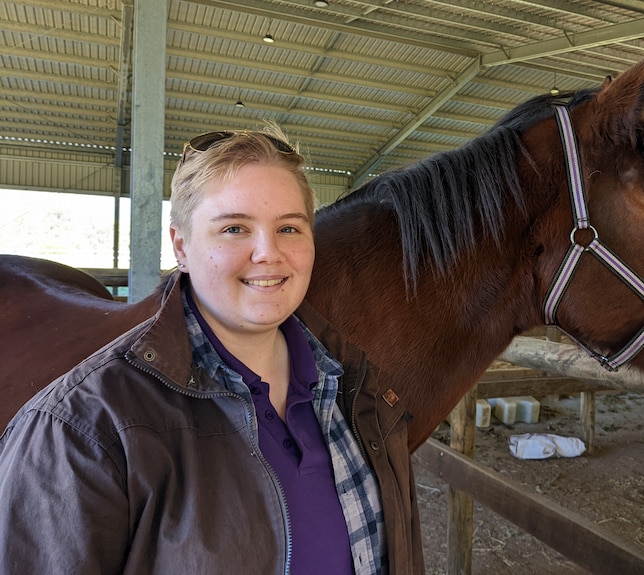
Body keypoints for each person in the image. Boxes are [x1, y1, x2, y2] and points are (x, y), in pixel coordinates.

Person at [0, 126, 423, 574]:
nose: (269, 253)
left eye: (289, 228)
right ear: (181, 245)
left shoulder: (356, 388)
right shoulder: (79, 430)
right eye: (235, 228)